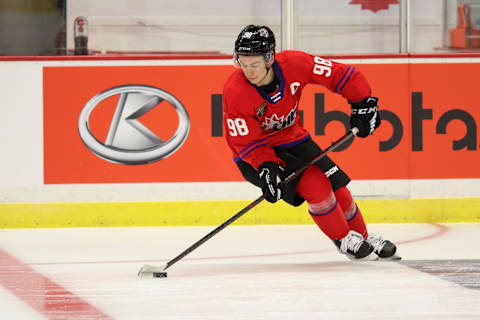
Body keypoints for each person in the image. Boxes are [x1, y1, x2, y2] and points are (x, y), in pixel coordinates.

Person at [222, 25, 399, 260]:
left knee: (340, 190)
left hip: (295, 139)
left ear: (269, 58)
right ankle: (343, 239)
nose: (248, 71)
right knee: (317, 187)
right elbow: (245, 142)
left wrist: (363, 101)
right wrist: (265, 167)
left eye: (254, 64)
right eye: (242, 64)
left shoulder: (295, 63)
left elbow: (340, 74)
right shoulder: (235, 91)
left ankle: (361, 236)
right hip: (256, 156)